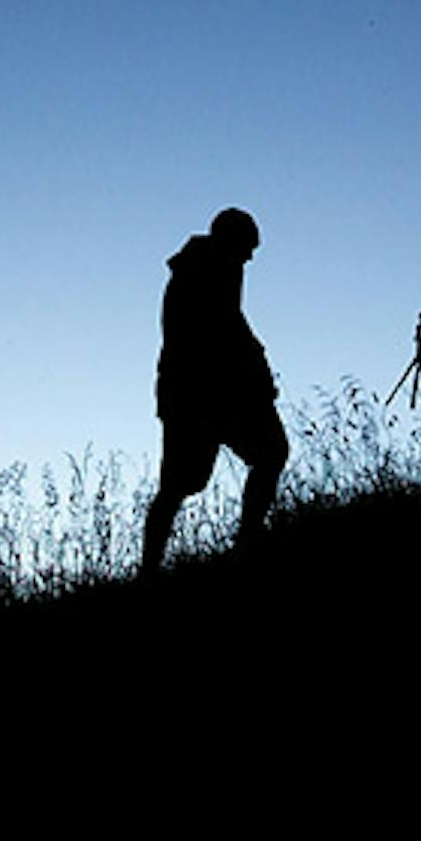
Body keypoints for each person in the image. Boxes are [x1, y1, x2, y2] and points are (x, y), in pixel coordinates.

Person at [142, 207, 287, 575]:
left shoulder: (211, 267)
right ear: (230, 240)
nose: (250, 257)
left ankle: (243, 544)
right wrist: (255, 368)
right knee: (180, 484)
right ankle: (152, 568)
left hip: (207, 392)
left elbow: (230, 326)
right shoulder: (204, 271)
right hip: (200, 395)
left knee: (268, 453)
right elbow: (222, 330)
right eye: (247, 248)